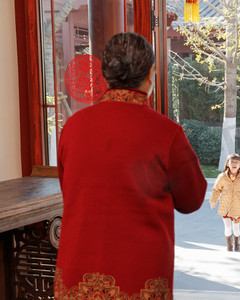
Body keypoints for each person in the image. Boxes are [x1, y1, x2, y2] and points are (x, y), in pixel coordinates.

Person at [54, 32, 207, 299]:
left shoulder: (73, 128)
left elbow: (70, 191)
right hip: (139, 276)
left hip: (79, 273)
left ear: (105, 74)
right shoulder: (166, 133)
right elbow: (191, 199)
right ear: (150, 74)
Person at [210, 153, 240, 252]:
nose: (234, 164)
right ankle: (229, 247)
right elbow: (216, 189)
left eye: (237, 162)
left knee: (236, 228)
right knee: (227, 226)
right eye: (232, 162)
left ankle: (237, 246)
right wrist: (213, 200)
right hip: (225, 207)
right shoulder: (222, 177)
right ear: (227, 164)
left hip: (237, 207)